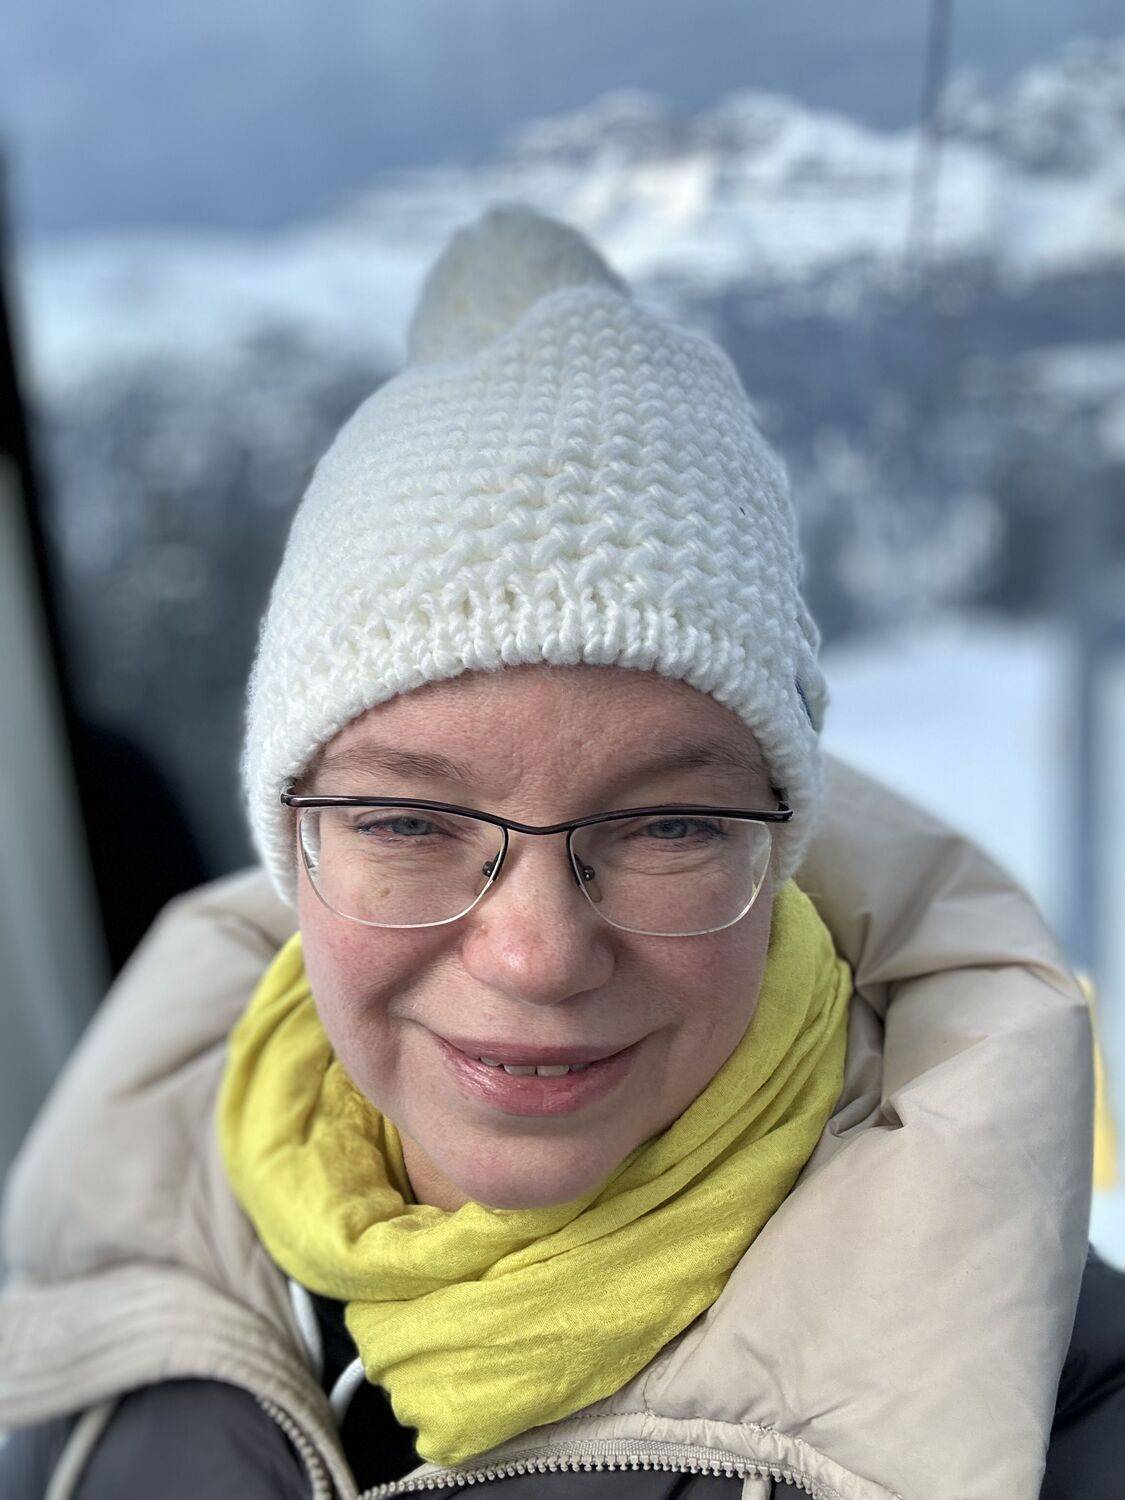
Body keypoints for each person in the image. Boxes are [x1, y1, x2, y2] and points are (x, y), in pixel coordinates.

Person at [0, 204, 1117, 1499]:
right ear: (292, 847)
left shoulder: (1053, 1416)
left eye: (666, 825)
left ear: (781, 851)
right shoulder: (116, 1284)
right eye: (409, 823)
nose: (537, 955)